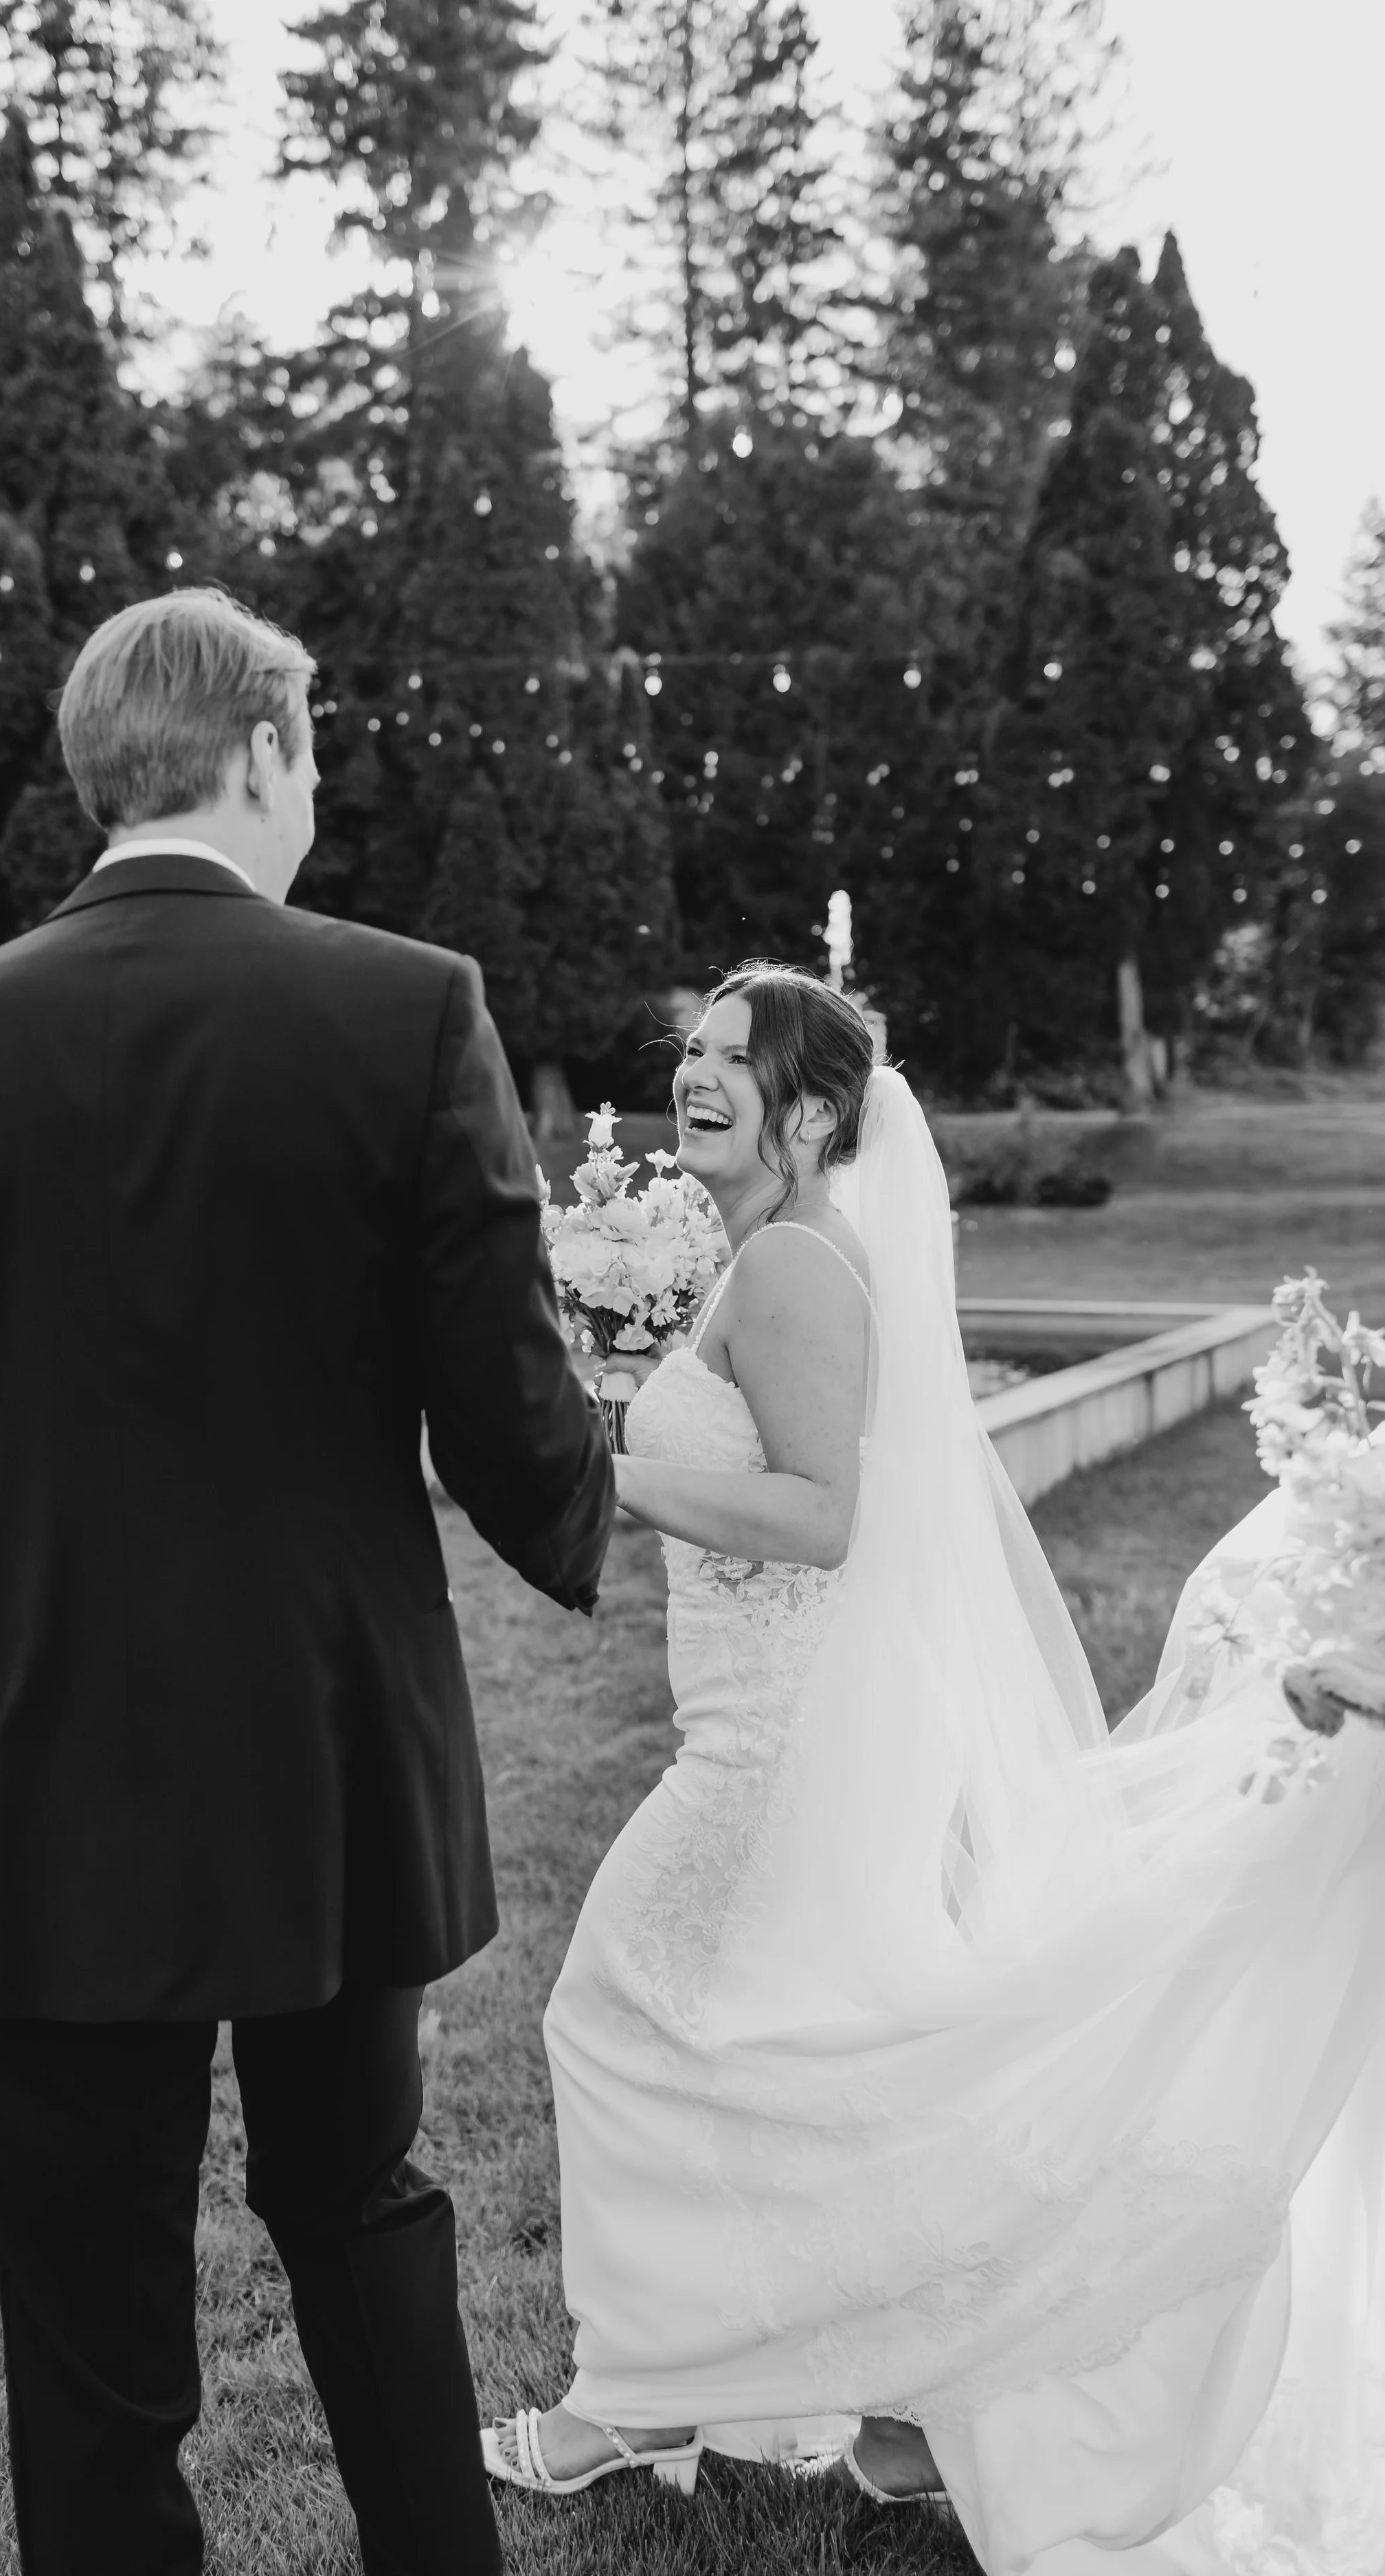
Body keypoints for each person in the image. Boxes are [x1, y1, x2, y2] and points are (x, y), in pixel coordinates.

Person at [0, 586, 615, 2576]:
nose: (315, 781)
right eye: (315, 747)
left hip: (51, 1764)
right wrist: (606, 1499)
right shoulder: (405, 1004)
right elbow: (512, 1418)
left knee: (85, 2325)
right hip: (324, 1760)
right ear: (261, 750)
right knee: (361, 2206)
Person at [485, 961, 1385, 2576]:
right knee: (814, 2052)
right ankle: (895, 2401)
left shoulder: (792, 1271)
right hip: (758, 1718)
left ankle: (633, 2396)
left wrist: (609, 1463)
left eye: (728, 1061)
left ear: (814, 1112)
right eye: (683, 1055)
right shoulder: (753, 1255)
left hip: (780, 1736)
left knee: (615, 2018)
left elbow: (819, 1515)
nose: (691, 1078)